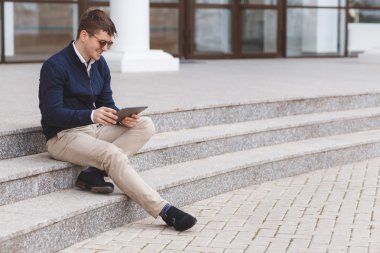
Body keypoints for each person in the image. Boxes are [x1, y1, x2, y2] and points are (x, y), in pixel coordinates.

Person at [38, 9, 196, 231]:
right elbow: (51, 114)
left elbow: (107, 103)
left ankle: (93, 173)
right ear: (84, 35)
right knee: (112, 154)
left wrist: (121, 118)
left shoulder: (100, 64)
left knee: (145, 125)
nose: (105, 49)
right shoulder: (55, 66)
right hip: (63, 136)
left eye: (109, 44)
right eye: (102, 43)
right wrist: (91, 115)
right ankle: (164, 210)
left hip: (93, 128)